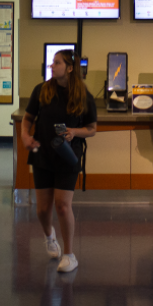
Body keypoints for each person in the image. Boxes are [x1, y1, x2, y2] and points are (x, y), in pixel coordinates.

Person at [21, 49, 97, 273]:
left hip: (68, 155)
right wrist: (25, 136)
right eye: (51, 63)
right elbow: (27, 119)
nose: (52, 66)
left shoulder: (84, 96)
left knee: (63, 206)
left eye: (56, 63)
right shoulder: (41, 90)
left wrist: (75, 131)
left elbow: (92, 129)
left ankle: (69, 254)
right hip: (42, 153)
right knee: (43, 209)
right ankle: (49, 236)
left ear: (70, 68)